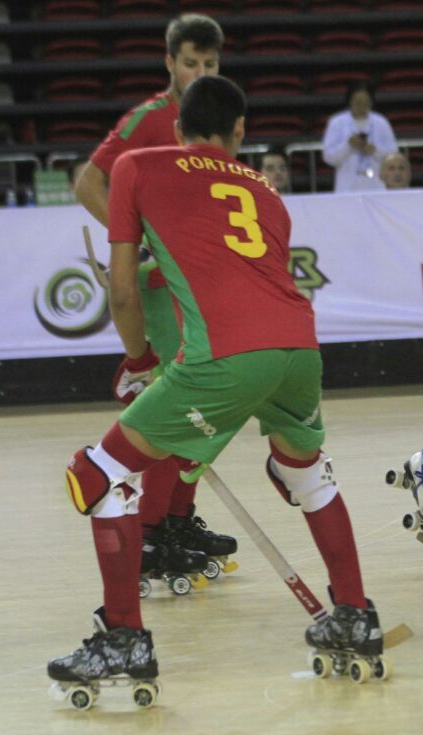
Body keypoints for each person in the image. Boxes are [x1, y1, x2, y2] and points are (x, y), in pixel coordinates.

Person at [48, 76, 385, 699]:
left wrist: (140, 359)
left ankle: (123, 638)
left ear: (178, 127)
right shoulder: (267, 191)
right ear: (240, 131)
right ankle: (355, 615)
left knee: (98, 474)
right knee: (308, 476)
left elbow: (123, 292)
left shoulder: (138, 165)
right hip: (300, 348)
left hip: (226, 357)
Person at [75, 13, 238, 594]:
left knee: (209, 406)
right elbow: (87, 182)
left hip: (196, 283)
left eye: (210, 64)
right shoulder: (149, 119)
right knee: (181, 405)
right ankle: (149, 529)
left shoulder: (212, 116)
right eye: (190, 63)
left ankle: (174, 518)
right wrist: (137, 235)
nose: (200, 73)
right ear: (169, 63)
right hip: (162, 290)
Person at [321, 83, 398, 193]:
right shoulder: (337, 122)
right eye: (358, 102)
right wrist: (348, 145)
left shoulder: (381, 122)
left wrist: (375, 151)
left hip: (376, 185)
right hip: (347, 186)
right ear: (350, 101)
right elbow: (328, 156)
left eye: (365, 102)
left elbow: (394, 154)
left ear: (371, 102)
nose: (361, 106)